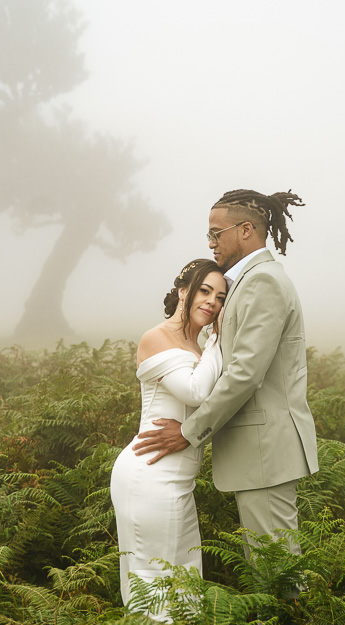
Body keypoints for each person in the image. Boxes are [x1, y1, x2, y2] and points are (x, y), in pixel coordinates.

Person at [133, 189, 319, 562]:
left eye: (216, 233)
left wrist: (189, 432)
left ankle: (286, 623)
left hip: (265, 451)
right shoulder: (247, 282)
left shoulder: (262, 282)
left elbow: (245, 374)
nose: (210, 242)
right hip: (259, 452)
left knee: (274, 566)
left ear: (246, 229)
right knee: (269, 563)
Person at [110, 258, 227, 619]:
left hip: (178, 479)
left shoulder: (199, 345)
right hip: (150, 473)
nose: (212, 302)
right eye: (204, 291)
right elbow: (194, 392)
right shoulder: (157, 337)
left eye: (221, 297)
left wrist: (211, 344)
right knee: (153, 583)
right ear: (182, 291)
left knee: (186, 579)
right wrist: (219, 341)